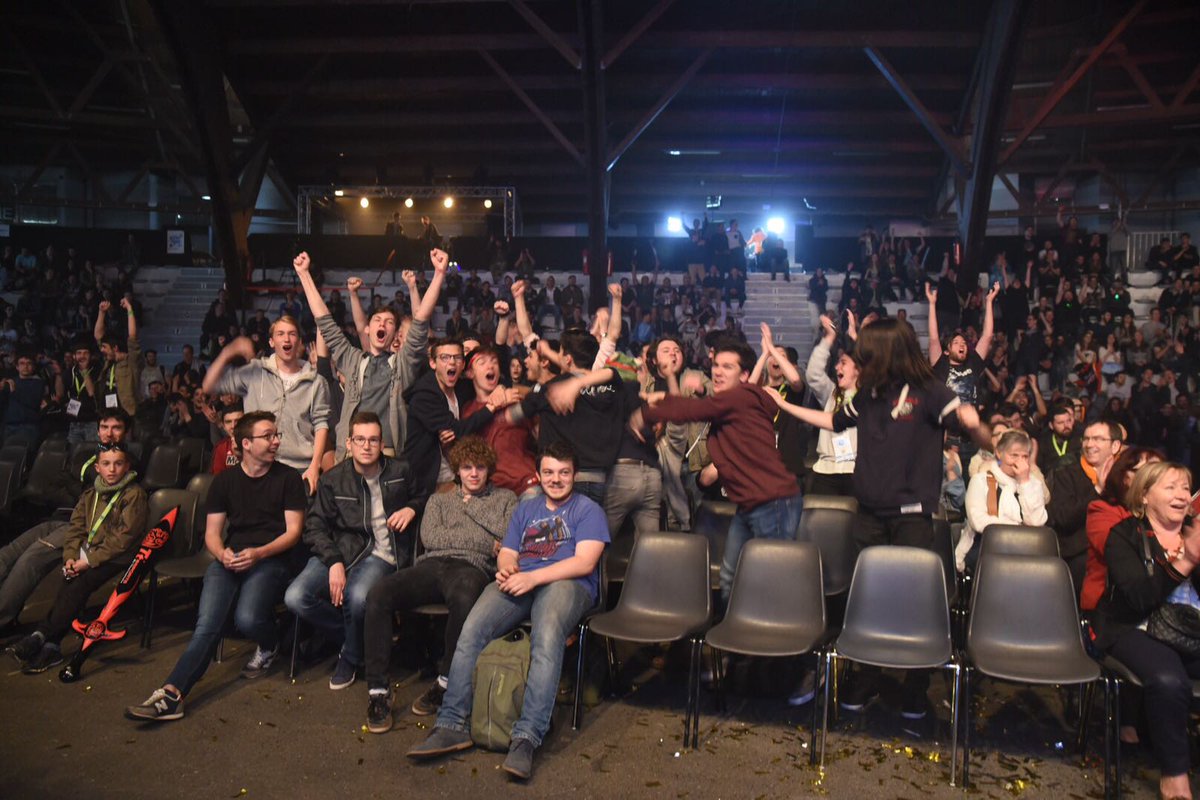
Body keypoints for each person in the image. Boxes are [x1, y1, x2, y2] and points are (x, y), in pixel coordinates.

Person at [767, 318, 989, 718]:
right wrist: (783, 406)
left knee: (911, 600)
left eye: (867, 351)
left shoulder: (930, 391)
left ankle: (915, 685)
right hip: (868, 514)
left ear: (887, 351)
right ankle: (866, 675)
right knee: (868, 598)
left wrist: (978, 426)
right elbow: (834, 421)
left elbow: (970, 427)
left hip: (912, 517)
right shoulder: (869, 393)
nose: (861, 357)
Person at [405, 441, 608, 781]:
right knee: (471, 630)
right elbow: (508, 551)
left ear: (574, 475)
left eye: (564, 473)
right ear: (538, 475)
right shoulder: (526, 509)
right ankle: (451, 724)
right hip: (522, 579)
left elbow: (584, 562)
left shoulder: (588, 510)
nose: (556, 479)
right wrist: (507, 568)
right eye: (549, 472)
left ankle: (527, 737)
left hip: (567, 583)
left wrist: (532, 577)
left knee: (546, 636)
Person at [125, 411, 306, 722]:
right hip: (230, 558)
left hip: (271, 558)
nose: (276, 441)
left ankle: (271, 642)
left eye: (276, 435)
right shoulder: (224, 482)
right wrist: (222, 555)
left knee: (248, 619)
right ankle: (172, 693)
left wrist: (258, 553)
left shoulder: (288, 478)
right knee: (207, 626)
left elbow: (293, 533)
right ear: (246, 443)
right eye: (268, 436)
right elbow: (212, 533)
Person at [363, 436, 516, 730]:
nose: (474, 474)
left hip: (472, 568)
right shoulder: (439, 499)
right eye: (467, 467)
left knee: (464, 599)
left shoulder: (506, 499)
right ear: (457, 470)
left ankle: (446, 682)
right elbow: (432, 538)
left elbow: (508, 534)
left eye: (480, 467)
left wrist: (471, 507)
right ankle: (378, 691)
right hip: (432, 565)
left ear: (489, 470)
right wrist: (487, 542)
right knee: (379, 594)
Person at [633, 339, 803, 604]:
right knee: (729, 576)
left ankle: (774, 629)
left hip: (774, 502)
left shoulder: (742, 397)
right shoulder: (735, 401)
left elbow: (694, 409)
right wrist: (667, 398)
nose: (718, 372)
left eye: (728, 367)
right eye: (716, 365)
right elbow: (698, 407)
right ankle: (730, 628)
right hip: (750, 504)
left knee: (770, 580)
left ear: (744, 376)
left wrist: (645, 413)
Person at [284, 411, 424, 691]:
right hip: (341, 550)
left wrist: (411, 507)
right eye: (360, 439)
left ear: (381, 443)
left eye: (373, 440)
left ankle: (349, 657)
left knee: (357, 597)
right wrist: (334, 562)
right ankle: (357, 640)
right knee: (295, 597)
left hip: (382, 553)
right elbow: (314, 526)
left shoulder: (401, 471)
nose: (366, 446)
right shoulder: (333, 479)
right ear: (348, 443)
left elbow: (423, 496)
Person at [1092, 462, 1198, 800]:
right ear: (1145, 495)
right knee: (1168, 680)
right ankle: (1175, 776)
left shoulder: (1195, 533)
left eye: (1185, 488)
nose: (1181, 495)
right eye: (1171, 487)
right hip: (1136, 627)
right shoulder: (1125, 535)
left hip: (1192, 629)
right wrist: (1185, 561)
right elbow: (1138, 598)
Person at [6, 442, 148, 673]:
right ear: (98, 468)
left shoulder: (134, 495)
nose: (112, 469)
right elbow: (75, 529)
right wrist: (71, 557)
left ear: (127, 466)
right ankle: (51, 646)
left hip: (120, 556)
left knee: (80, 582)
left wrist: (87, 561)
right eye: (106, 464)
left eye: (118, 464)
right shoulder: (91, 494)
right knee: (71, 579)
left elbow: (123, 539)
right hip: (89, 552)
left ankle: (41, 635)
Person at [294, 250, 442, 459]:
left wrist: (439, 274)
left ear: (395, 334)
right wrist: (304, 274)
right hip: (351, 452)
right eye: (377, 320)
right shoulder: (353, 359)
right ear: (367, 329)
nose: (382, 324)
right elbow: (325, 322)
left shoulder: (403, 363)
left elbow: (421, 320)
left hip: (388, 453)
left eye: (389, 322)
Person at [204, 316, 330, 494]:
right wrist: (229, 351)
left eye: (292, 334)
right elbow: (210, 385)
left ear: (299, 342)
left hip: (300, 470)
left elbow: (321, 424)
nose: (286, 339)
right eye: (280, 334)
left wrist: (315, 466)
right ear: (271, 342)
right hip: (257, 467)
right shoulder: (255, 372)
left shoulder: (316, 381)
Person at [403, 337, 514, 497]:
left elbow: (490, 381)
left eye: (457, 358)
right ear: (433, 363)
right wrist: (491, 407)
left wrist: (500, 388)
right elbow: (458, 430)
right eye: (445, 357)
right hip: (427, 480)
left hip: (456, 475)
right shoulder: (424, 395)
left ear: (463, 364)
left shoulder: (461, 387)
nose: (452, 362)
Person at [1047, 420, 1124, 598]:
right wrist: (1097, 490)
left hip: (1120, 551)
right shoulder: (1066, 474)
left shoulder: (1126, 476)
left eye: (1098, 439)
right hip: (1081, 554)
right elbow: (1063, 518)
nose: (1089, 444)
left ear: (1115, 446)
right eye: (1086, 439)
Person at [953, 430, 1048, 572]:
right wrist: (1017, 530)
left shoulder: (1033, 484)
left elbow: (1036, 522)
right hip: (985, 549)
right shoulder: (981, 480)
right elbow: (978, 521)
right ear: (999, 453)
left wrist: (1024, 483)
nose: (1019, 462)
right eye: (1014, 455)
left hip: (1026, 551)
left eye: (1025, 456)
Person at [1080, 446, 1161, 612]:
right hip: (1112, 606)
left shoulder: (1172, 515)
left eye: (1160, 473)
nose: (1153, 479)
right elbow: (1120, 551)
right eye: (1145, 471)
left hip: (1164, 605)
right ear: (1125, 478)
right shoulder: (1103, 510)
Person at [804, 314, 859, 496]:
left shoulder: (870, 395)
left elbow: (879, 369)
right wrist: (828, 338)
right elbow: (813, 375)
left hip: (857, 470)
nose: (837, 368)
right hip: (826, 471)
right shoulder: (831, 393)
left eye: (843, 363)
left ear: (858, 369)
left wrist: (855, 338)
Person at [1038, 401, 1080, 476]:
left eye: (1068, 421)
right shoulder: (1043, 442)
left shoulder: (1080, 438)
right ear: (1051, 425)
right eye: (1060, 423)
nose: (1066, 425)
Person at [211, 402, 244, 475]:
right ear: (224, 426)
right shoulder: (221, 448)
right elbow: (218, 478)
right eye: (228, 422)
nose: (233, 426)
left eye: (238, 421)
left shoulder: (257, 444)